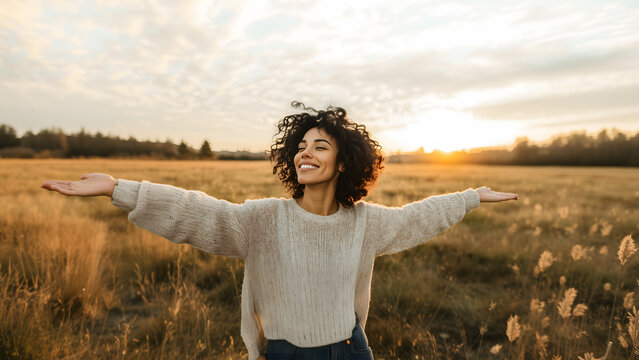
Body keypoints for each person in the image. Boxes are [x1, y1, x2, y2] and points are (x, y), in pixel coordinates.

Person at [41, 102, 519, 360]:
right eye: (300, 146)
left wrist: (471, 196)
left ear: (344, 162)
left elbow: (417, 217)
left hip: (353, 350)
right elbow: (198, 214)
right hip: (289, 356)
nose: (304, 154)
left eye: (320, 146)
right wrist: (120, 189)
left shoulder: (365, 223)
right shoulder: (265, 220)